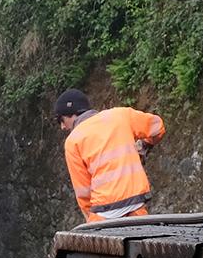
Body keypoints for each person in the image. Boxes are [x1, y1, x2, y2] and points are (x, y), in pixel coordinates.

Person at [56, 88, 164, 222]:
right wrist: (142, 147)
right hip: (135, 203)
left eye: (60, 120)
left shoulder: (73, 141)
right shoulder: (120, 115)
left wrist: (90, 221)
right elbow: (157, 127)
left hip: (102, 212)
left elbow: (83, 191)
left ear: (71, 114)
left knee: (100, 242)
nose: (62, 127)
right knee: (141, 240)